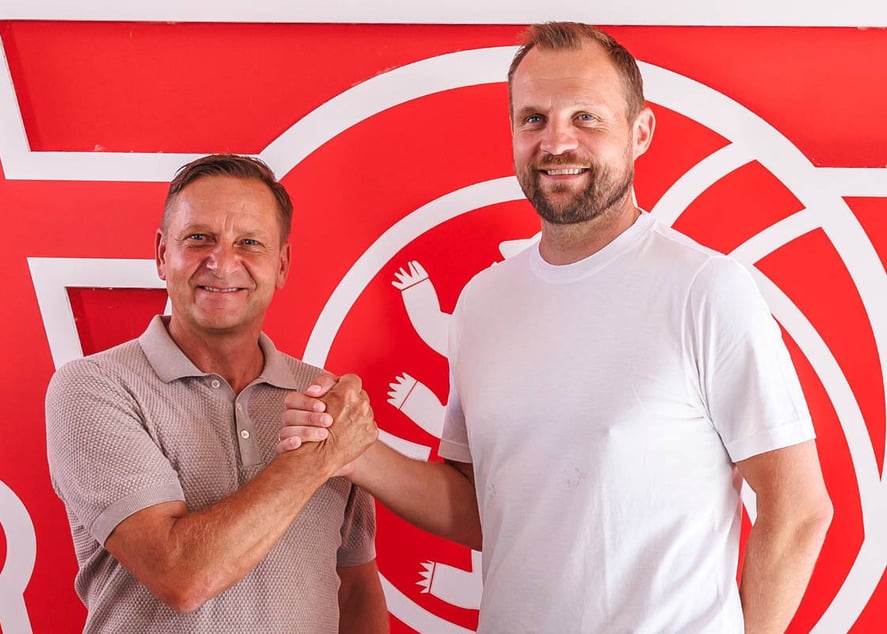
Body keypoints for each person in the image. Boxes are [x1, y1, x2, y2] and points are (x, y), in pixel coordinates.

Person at [280, 22, 833, 633]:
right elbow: (483, 508)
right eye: (533, 119)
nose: (556, 141)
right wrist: (356, 453)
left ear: (640, 132)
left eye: (586, 118)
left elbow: (798, 508)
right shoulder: (483, 302)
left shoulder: (705, 289)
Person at [45, 154, 388, 633]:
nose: (223, 262)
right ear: (162, 254)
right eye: (198, 238)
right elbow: (181, 575)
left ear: (282, 265)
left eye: (249, 243)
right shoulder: (93, 387)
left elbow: (354, 586)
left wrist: (335, 441)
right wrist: (319, 457)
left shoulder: (325, 398)